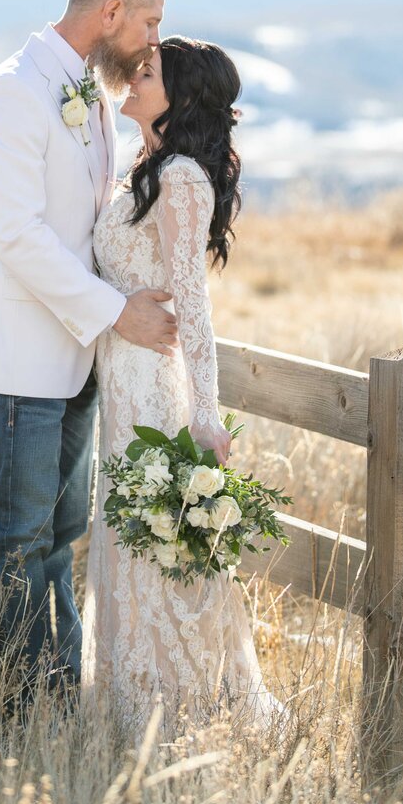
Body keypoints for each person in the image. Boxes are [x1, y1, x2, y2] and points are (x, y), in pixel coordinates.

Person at [0, 0, 178, 698]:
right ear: (111, 12)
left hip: (76, 359)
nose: (152, 40)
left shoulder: (87, 90)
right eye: (148, 21)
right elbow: (17, 237)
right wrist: (118, 314)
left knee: (61, 539)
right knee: (15, 541)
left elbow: (84, 215)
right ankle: (19, 710)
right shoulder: (12, 94)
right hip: (20, 361)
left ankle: (61, 691)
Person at [81, 36, 282, 735]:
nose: (132, 77)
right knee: (125, 546)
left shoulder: (182, 181)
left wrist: (205, 416)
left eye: (149, 71)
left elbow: (193, 308)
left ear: (183, 95)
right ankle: (127, 708)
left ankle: (178, 717)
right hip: (118, 377)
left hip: (153, 387)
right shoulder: (143, 167)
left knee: (157, 554)